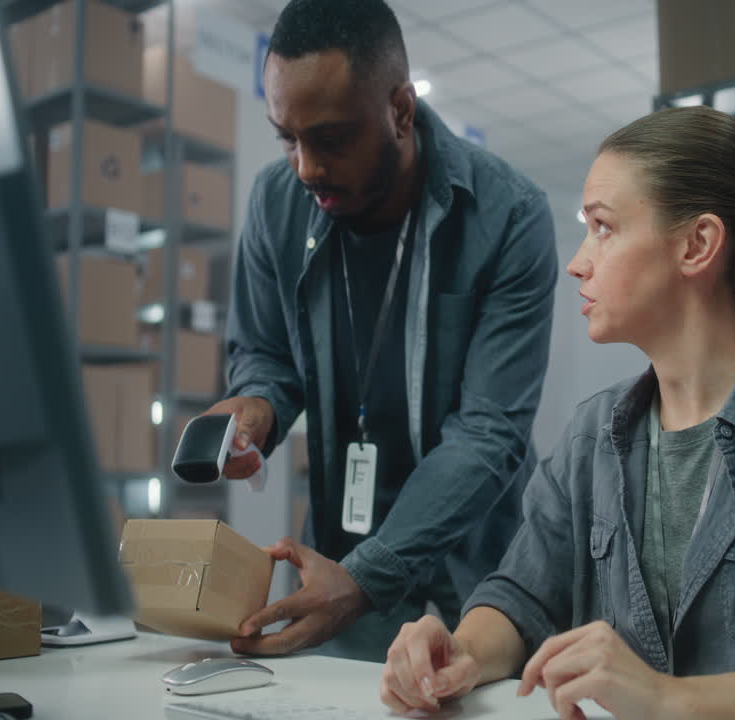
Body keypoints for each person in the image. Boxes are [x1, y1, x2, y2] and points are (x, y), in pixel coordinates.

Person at [379, 105, 735, 719]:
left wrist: (672, 701)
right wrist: (463, 650)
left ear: (698, 244)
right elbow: (523, 593)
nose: (578, 262)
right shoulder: (591, 435)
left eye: (603, 227)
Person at [205, 0, 557, 663]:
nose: (305, 167)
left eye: (331, 139)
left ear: (401, 109)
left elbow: (490, 431)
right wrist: (256, 406)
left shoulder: (509, 215)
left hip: (478, 549)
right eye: (287, 137)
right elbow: (266, 355)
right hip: (348, 545)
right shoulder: (275, 202)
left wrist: (369, 577)